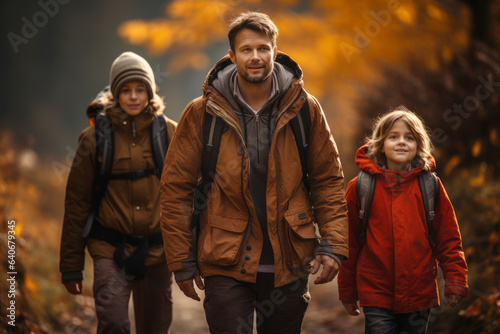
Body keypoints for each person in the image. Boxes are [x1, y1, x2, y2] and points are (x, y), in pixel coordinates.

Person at [160, 11, 348, 334]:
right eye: (246, 50)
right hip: (224, 263)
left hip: (289, 260)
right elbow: (176, 189)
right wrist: (181, 261)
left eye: (263, 48)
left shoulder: (305, 109)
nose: (256, 56)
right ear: (232, 56)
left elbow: (327, 181)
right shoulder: (201, 113)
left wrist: (333, 244)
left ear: (275, 51)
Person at [59, 51, 177, 334]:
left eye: (140, 89)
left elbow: (186, 196)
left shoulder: (170, 132)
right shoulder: (93, 139)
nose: (134, 97)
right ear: (115, 93)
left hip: (158, 250)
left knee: (155, 327)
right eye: (126, 90)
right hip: (108, 249)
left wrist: (192, 254)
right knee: (112, 323)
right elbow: (77, 204)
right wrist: (71, 266)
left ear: (150, 92)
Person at [338, 106, 469, 334]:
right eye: (393, 137)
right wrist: (348, 290)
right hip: (376, 292)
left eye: (409, 138)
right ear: (380, 143)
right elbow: (348, 242)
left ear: (419, 145)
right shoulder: (360, 186)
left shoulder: (430, 186)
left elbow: (448, 239)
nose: (401, 142)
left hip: (419, 293)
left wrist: (455, 280)